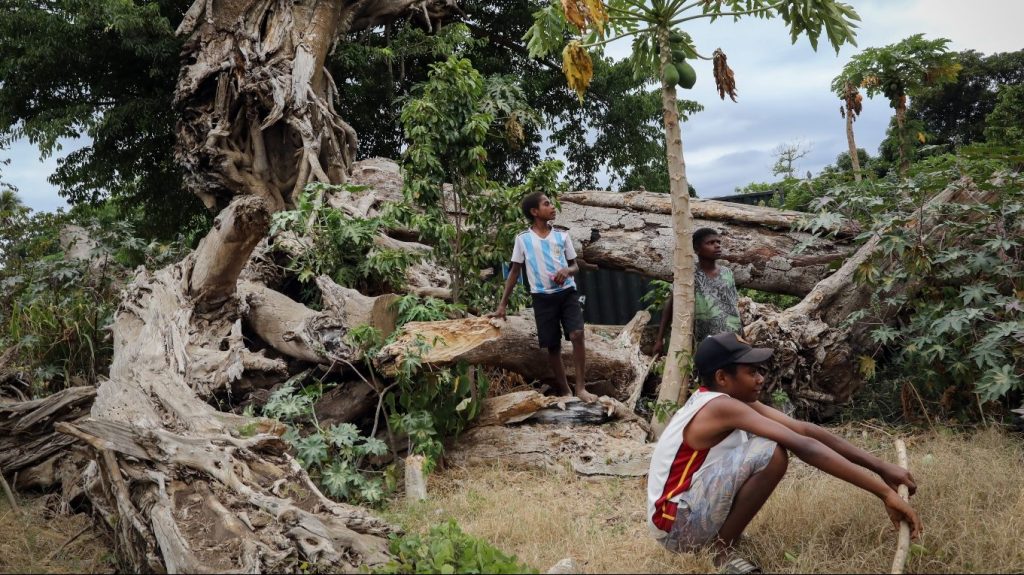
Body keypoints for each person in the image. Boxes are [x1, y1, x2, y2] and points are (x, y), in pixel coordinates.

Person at [646, 332, 922, 573]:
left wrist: (880, 466)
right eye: (751, 371)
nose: (760, 378)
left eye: (760, 371)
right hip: (676, 527)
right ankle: (719, 551)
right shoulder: (720, 406)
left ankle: (721, 539)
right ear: (722, 377)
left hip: (677, 519)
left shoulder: (726, 400)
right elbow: (803, 446)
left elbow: (804, 431)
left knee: (773, 447)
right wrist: (884, 493)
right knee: (772, 452)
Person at [492, 192, 598, 403]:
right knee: (553, 345)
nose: (552, 207)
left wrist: (567, 272)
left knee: (577, 334)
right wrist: (502, 305)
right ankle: (565, 391)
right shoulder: (523, 239)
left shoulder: (562, 235)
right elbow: (515, 271)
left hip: (567, 293)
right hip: (542, 297)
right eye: (547, 204)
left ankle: (580, 388)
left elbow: (575, 265)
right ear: (534, 212)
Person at [653, 227, 741, 357]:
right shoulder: (688, 275)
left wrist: (742, 336)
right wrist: (659, 339)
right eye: (710, 243)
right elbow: (671, 304)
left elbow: (734, 305)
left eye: (718, 242)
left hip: (732, 336)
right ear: (697, 249)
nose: (717, 246)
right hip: (705, 340)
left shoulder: (727, 273)